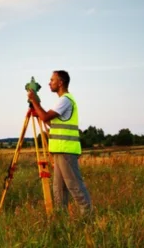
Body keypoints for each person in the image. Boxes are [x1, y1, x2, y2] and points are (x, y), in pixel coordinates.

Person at [26, 70, 93, 217]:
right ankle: (61, 221)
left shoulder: (65, 100)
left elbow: (44, 117)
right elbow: (51, 123)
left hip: (66, 150)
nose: (49, 83)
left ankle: (88, 219)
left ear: (60, 82)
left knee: (75, 186)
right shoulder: (62, 101)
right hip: (59, 151)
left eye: (52, 80)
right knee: (59, 189)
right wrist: (37, 105)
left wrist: (34, 101)